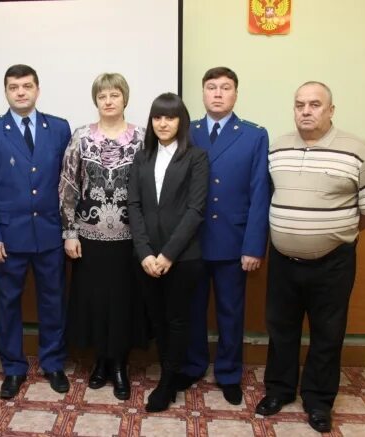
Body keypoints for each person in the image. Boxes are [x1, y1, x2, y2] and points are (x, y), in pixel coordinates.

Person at [255, 81, 365, 433]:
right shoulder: (278, 147)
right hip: (283, 260)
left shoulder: (358, 150)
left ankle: (318, 401)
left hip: (333, 263)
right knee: (280, 330)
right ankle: (279, 391)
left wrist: (334, 232)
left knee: (327, 334)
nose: (306, 111)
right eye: (299, 105)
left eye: (315, 105)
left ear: (331, 110)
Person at [0, 64, 71, 399]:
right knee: (8, 305)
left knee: (53, 302)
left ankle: (54, 363)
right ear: (5, 91)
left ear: (37, 89)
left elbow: (67, 184)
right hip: (8, 237)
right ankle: (13, 368)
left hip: (49, 233)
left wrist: (69, 230)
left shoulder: (59, 129)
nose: (20, 92)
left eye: (27, 86)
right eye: (14, 87)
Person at [59, 72, 148, 401]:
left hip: (129, 238)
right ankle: (101, 362)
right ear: (96, 101)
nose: (108, 101)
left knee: (124, 302)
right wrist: (69, 232)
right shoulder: (81, 136)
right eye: (102, 96)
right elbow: (68, 185)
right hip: (89, 237)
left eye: (114, 95)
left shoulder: (141, 137)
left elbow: (151, 189)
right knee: (95, 301)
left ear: (125, 98)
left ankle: (120, 365)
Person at [184, 67, 270, 405]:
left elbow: (260, 192)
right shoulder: (186, 132)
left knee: (231, 311)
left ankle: (229, 372)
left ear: (236, 94)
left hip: (233, 242)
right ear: (202, 93)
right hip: (191, 241)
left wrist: (253, 245)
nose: (218, 93)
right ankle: (193, 365)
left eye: (225, 88)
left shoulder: (253, 135)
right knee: (192, 308)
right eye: (211, 87)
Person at [128, 93, 208, 412]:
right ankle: (168, 370)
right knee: (158, 320)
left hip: (183, 257)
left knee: (177, 320)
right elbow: (133, 205)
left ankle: (168, 383)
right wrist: (145, 252)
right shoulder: (141, 156)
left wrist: (168, 255)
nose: (163, 123)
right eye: (158, 117)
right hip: (146, 258)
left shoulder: (196, 157)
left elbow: (195, 210)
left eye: (170, 117)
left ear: (181, 121)